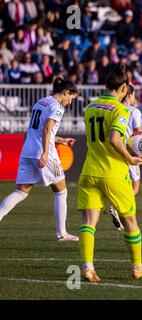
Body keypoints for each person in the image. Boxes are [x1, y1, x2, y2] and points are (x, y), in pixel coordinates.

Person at [77, 64, 142, 282]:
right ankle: (138, 266)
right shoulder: (121, 110)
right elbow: (114, 138)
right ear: (123, 87)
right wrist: (130, 158)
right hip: (113, 171)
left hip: (89, 170)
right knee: (130, 221)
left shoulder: (90, 107)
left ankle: (88, 267)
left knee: (89, 222)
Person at [0, 78, 79, 241]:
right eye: (71, 98)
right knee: (61, 191)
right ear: (66, 93)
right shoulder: (57, 107)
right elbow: (46, 128)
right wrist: (44, 152)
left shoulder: (41, 101)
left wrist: (62, 140)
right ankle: (61, 233)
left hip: (27, 150)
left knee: (21, 192)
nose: (70, 102)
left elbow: (41, 131)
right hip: (44, 153)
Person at [107, 85, 142, 231]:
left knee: (120, 183)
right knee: (134, 187)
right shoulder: (134, 111)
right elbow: (138, 136)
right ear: (129, 95)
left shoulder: (113, 108)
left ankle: (113, 206)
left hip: (114, 150)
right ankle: (117, 207)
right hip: (130, 152)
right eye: (134, 95)